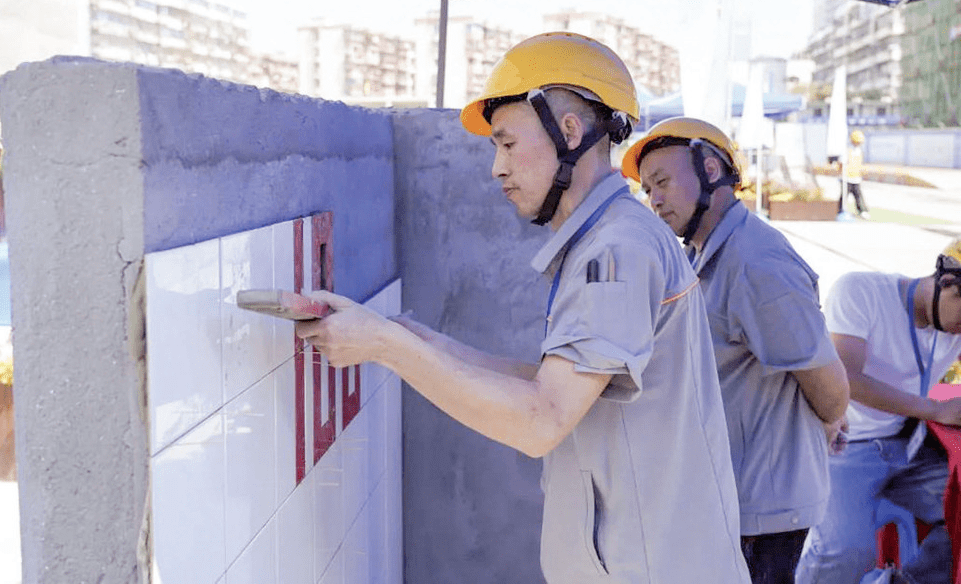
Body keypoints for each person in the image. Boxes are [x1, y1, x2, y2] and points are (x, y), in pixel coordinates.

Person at [297, 32, 751, 583]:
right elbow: (558, 383)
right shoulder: (608, 240)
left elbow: (542, 419)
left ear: (569, 132)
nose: (496, 168)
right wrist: (414, 340)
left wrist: (386, 347)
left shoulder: (616, 251)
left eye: (507, 145)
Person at [620, 117, 851, 584]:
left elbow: (831, 394)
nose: (655, 199)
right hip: (727, 495)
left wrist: (826, 421)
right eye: (648, 189)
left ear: (710, 170)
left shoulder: (756, 261)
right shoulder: (702, 253)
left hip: (760, 510)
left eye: (663, 182)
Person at [796, 240, 961, 584]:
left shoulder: (951, 325)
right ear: (948, 284)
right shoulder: (860, 290)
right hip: (845, 448)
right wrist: (935, 409)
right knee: (846, 552)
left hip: (909, 450)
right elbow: (848, 379)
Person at [840, 129, 870, 219]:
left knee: (858, 196)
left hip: (856, 178)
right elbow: (841, 163)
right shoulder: (847, 151)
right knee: (844, 197)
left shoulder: (860, 152)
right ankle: (840, 211)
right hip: (847, 178)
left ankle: (862, 211)